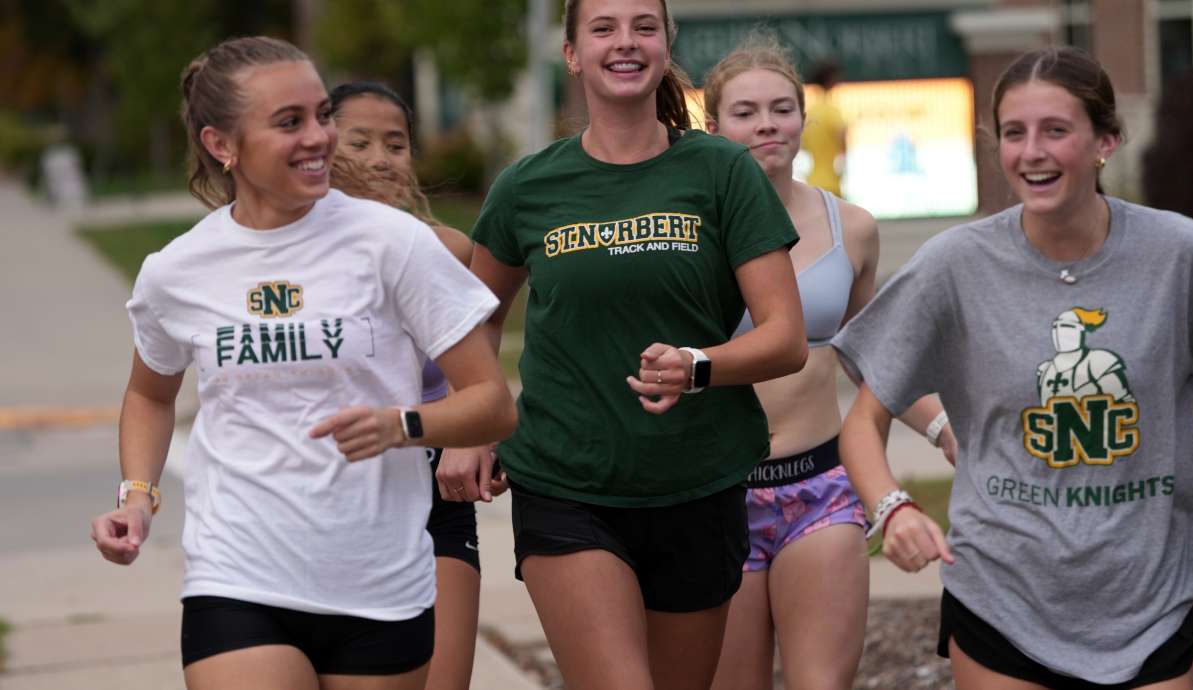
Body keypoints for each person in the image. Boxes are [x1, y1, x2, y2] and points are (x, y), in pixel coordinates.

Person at [87, 36, 516, 690]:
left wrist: (403, 425)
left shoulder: (394, 244)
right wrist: (138, 497)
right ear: (221, 144)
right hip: (236, 573)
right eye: (289, 122)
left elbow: (493, 403)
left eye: (320, 115)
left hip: (377, 581)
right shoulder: (178, 270)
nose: (318, 137)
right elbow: (150, 393)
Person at [437, 1, 808, 688]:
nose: (625, 42)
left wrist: (698, 366)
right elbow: (473, 318)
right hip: (565, 483)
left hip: (698, 481)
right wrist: (474, 421)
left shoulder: (724, 171)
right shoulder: (527, 186)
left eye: (644, 26)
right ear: (572, 53)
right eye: (603, 28)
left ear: (666, 44)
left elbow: (786, 338)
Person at [835, 46, 1193, 689]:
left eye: (1056, 130)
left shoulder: (1177, 255)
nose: (1031, 152)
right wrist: (893, 508)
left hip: (1150, 598)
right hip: (1002, 600)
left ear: (1105, 141)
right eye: (1014, 133)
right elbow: (863, 420)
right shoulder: (955, 265)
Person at [700, 36, 955, 690]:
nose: (766, 125)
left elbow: (872, 356)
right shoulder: (690, 234)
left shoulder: (852, 228)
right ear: (713, 126)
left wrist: (944, 428)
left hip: (820, 488)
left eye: (781, 109)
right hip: (715, 494)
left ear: (803, 119)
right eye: (746, 112)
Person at [328, 80, 495, 690]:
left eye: (396, 145)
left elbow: (480, 377)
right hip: (329, 498)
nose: (381, 159)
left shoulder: (447, 250)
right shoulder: (293, 260)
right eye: (360, 142)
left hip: (431, 493)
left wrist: (472, 437)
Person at [801, 60, 847, 196]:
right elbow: (842, 140)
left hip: (811, 183)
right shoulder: (832, 112)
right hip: (831, 185)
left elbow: (803, 146)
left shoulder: (810, 112)